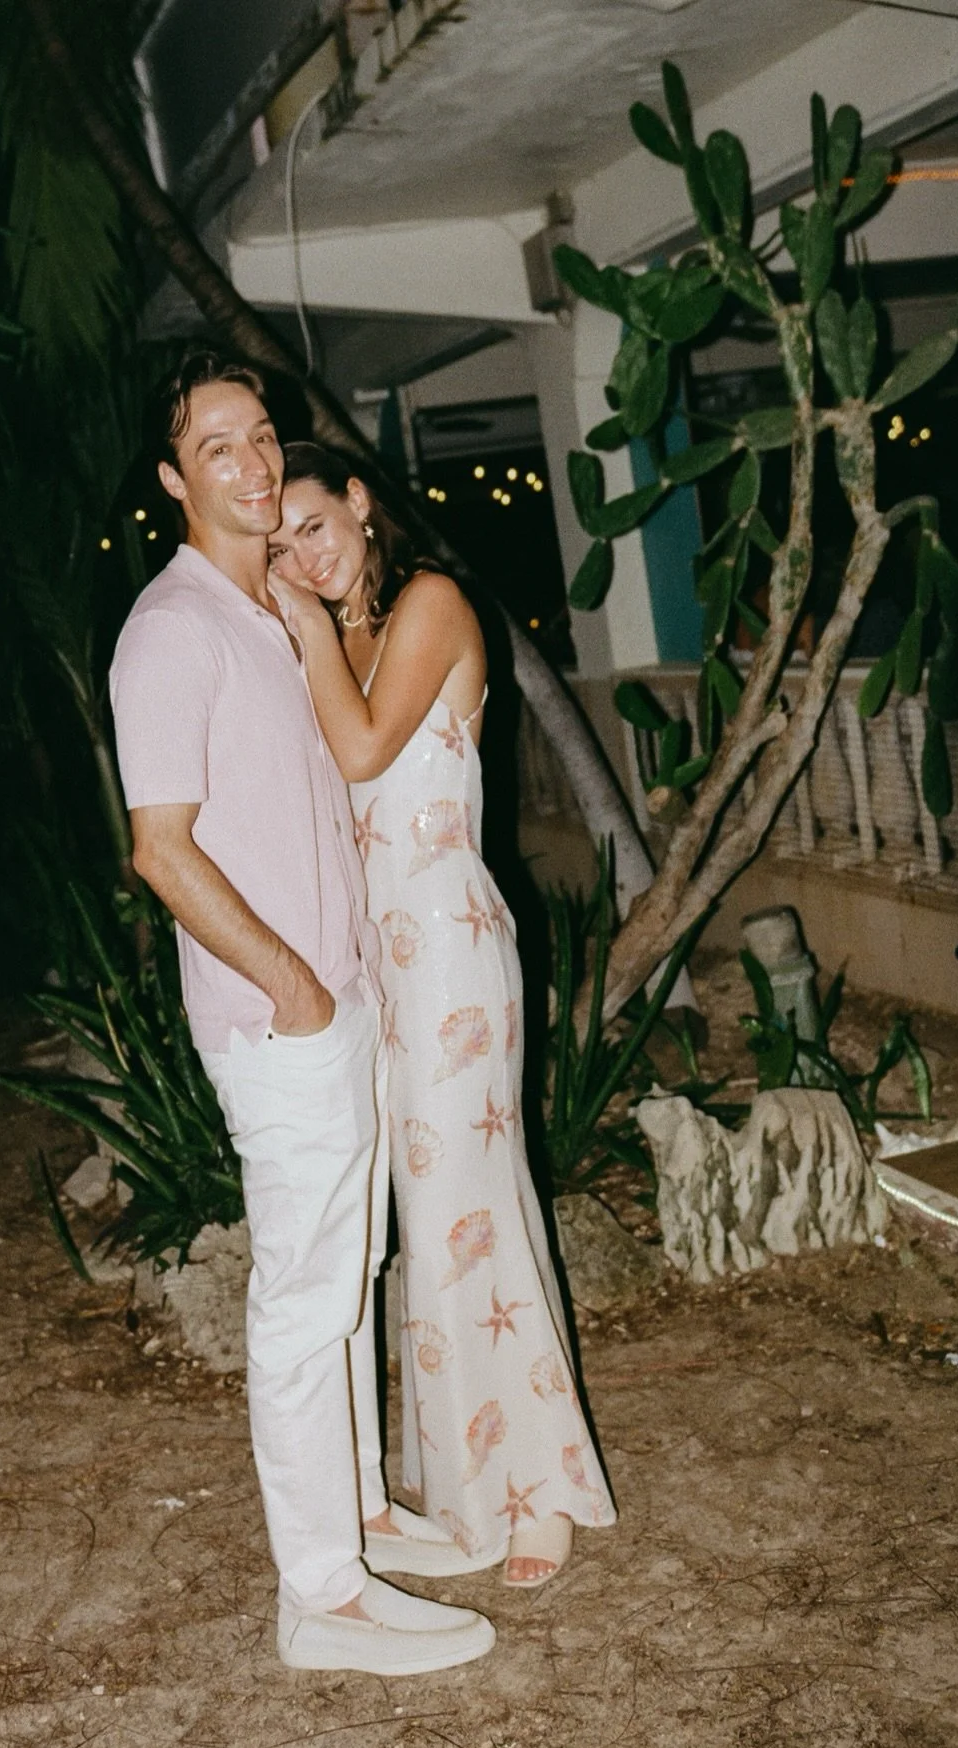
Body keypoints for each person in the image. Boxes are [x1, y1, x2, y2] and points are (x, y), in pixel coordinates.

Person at [107, 353, 496, 1674]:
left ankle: (368, 1513)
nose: (255, 463)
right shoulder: (171, 631)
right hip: (286, 1024)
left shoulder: (267, 613)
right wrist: (292, 986)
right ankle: (323, 1599)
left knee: (350, 1279)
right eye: (219, 446)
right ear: (175, 479)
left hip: (350, 1001)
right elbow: (159, 850)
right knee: (301, 1303)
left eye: (263, 436)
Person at [268, 441, 617, 1588]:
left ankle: (544, 1491)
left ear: (361, 503)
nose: (302, 558)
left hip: (454, 952)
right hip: (378, 959)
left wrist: (308, 633)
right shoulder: (344, 632)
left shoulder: (428, 602)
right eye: (280, 548)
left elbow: (368, 747)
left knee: (473, 1204)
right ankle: (476, 1475)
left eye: (313, 527)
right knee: (429, 1218)